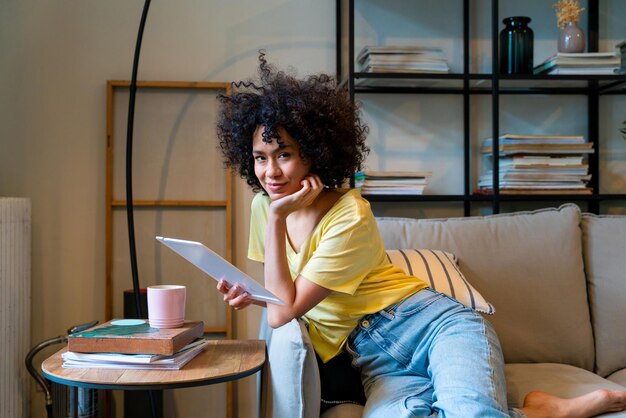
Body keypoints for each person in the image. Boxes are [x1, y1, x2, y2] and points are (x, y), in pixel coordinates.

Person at [215, 52, 626, 418]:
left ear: (314, 152)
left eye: (284, 154)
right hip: (373, 360)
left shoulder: (349, 213)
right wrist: (253, 287)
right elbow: (279, 301)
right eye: (260, 158)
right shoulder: (266, 207)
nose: (270, 172)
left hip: (433, 326)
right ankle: (540, 412)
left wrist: (275, 220)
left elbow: (283, 309)